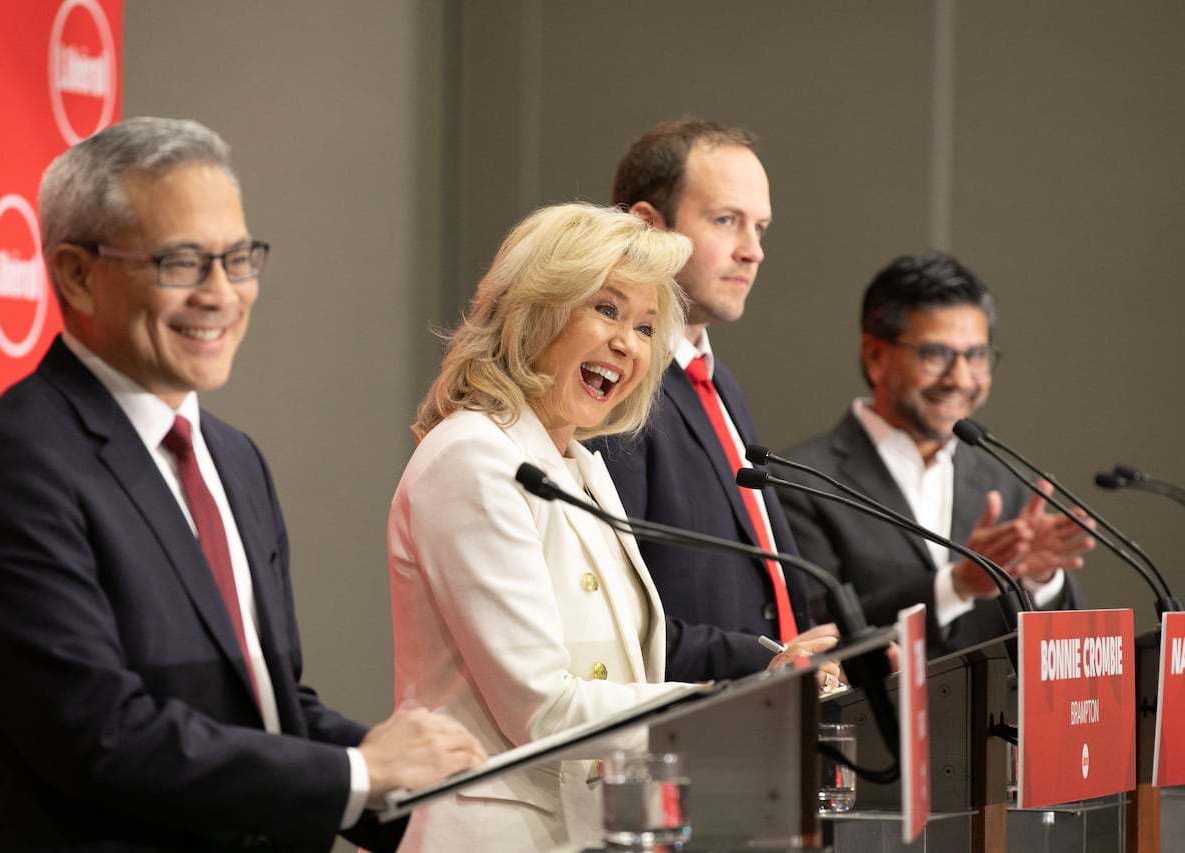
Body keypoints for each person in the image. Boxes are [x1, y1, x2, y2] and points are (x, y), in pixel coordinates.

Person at [0, 116, 485, 852]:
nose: (222, 294)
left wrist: (445, 798)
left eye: (239, 257)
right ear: (77, 274)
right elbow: (102, 736)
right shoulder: (11, 466)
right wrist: (358, 772)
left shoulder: (234, 458)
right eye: (183, 262)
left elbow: (270, 712)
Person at [388, 203, 835, 851]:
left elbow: (630, 674)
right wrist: (742, 707)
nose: (628, 342)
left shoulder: (580, 468)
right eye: (606, 309)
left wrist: (767, 676)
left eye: (646, 325)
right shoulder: (473, 456)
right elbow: (541, 709)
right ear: (535, 308)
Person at [589, 118, 833, 673]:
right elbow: (616, 621)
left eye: (761, 228)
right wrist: (769, 660)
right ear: (649, 227)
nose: (754, 252)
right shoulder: (615, 389)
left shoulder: (719, 384)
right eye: (727, 221)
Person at [779, 251, 1094, 657]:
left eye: (976, 356)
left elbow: (1062, 657)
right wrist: (956, 585)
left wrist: (1042, 578)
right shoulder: (801, 482)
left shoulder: (1008, 484)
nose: (961, 378)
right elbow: (810, 637)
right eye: (936, 355)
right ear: (875, 356)